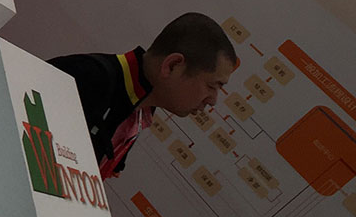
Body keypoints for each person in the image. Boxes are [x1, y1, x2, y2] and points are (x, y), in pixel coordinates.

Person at [49, 12, 238, 179]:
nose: (213, 100)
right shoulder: (84, 76)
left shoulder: (140, 110)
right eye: (211, 86)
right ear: (172, 65)